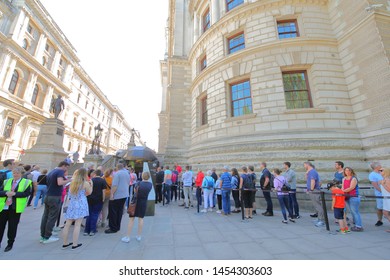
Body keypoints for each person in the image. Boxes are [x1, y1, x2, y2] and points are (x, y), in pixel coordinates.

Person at [0, 167, 32, 252]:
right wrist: (5, 193)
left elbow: (26, 193)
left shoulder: (26, 182)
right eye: (14, 173)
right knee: (1, 226)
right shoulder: (6, 181)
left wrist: (15, 194)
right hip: (4, 207)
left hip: (15, 208)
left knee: (12, 227)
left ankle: (10, 244)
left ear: (21, 174)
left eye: (17, 173)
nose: (15, 175)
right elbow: (0, 192)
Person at [40, 161, 71, 244]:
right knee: (52, 217)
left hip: (48, 195)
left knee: (45, 216)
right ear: (64, 166)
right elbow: (60, 182)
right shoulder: (60, 171)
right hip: (55, 196)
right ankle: (47, 236)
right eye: (67, 168)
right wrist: (69, 180)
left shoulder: (52, 171)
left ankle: (43, 235)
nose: (66, 170)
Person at [62, 168, 92, 250]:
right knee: (77, 224)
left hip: (72, 203)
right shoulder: (85, 183)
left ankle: (65, 243)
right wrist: (91, 184)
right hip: (81, 204)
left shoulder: (72, 183)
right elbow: (89, 193)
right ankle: (74, 244)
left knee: (67, 224)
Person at [121, 172, 153, 243]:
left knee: (131, 219)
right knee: (141, 219)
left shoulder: (138, 183)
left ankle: (128, 236)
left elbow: (135, 192)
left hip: (135, 203)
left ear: (142, 176)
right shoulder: (150, 185)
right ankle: (139, 236)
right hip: (143, 202)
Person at [105, 163, 130, 234]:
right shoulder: (127, 173)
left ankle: (113, 227)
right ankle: (117, 226)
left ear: (117, 167)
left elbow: (114, 185)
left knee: (113, 212)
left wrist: (112, 194)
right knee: (119, 211)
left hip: (117, 195)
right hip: (124, 194)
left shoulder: (117, 174)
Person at [84, 170, 106, 236]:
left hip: (90, 199)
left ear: (95, 174)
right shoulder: (102, 181)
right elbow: (103, 191)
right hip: (98, 199)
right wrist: (103, 199)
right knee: (95, 214)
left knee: (89, 214)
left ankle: (86, 230)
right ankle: (92, 230)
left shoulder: (91, 180)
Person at [342, 167, 363, 232]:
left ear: (351, 171)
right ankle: (356, 223)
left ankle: (359, 226)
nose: (347, 172)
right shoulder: (344, 179)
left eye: (348, 170)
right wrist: (342, 191)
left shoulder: (353, 178)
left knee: (355, 211)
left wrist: (342, 192)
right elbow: (343, 186)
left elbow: (351, 187)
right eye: (346, 170)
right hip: (346, 196)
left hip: (354, 196)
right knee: (352, 211)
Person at [304, 162, 324, 227]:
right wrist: (306, 174)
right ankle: (319, 219)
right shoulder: (310, 172)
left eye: (304, 165)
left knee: (318, 206)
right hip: (312, 190)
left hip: (314, 190)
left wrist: (311, 189)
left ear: (307, 165)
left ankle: (321, 220)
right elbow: (308, 180)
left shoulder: (312, 172)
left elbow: (313, 181)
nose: (304, 166)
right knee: (316, 205)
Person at [369, 162, 384, 227]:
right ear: (376, 167)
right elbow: (375, 185)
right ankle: (379, 220)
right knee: (380, 208)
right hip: (380, 194)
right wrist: (382, 192)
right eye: (379, 165)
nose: (381, 166)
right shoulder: (372, 174)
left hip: (387, 192)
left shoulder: (382, 172)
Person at [380, 168, 390, 232]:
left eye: (381, 170)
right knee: (385, 212)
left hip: (388, 198)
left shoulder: (387, 179)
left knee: (385, 212)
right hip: (385, 198)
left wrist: (383, 184)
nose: (380, 171)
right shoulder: (384, 179)